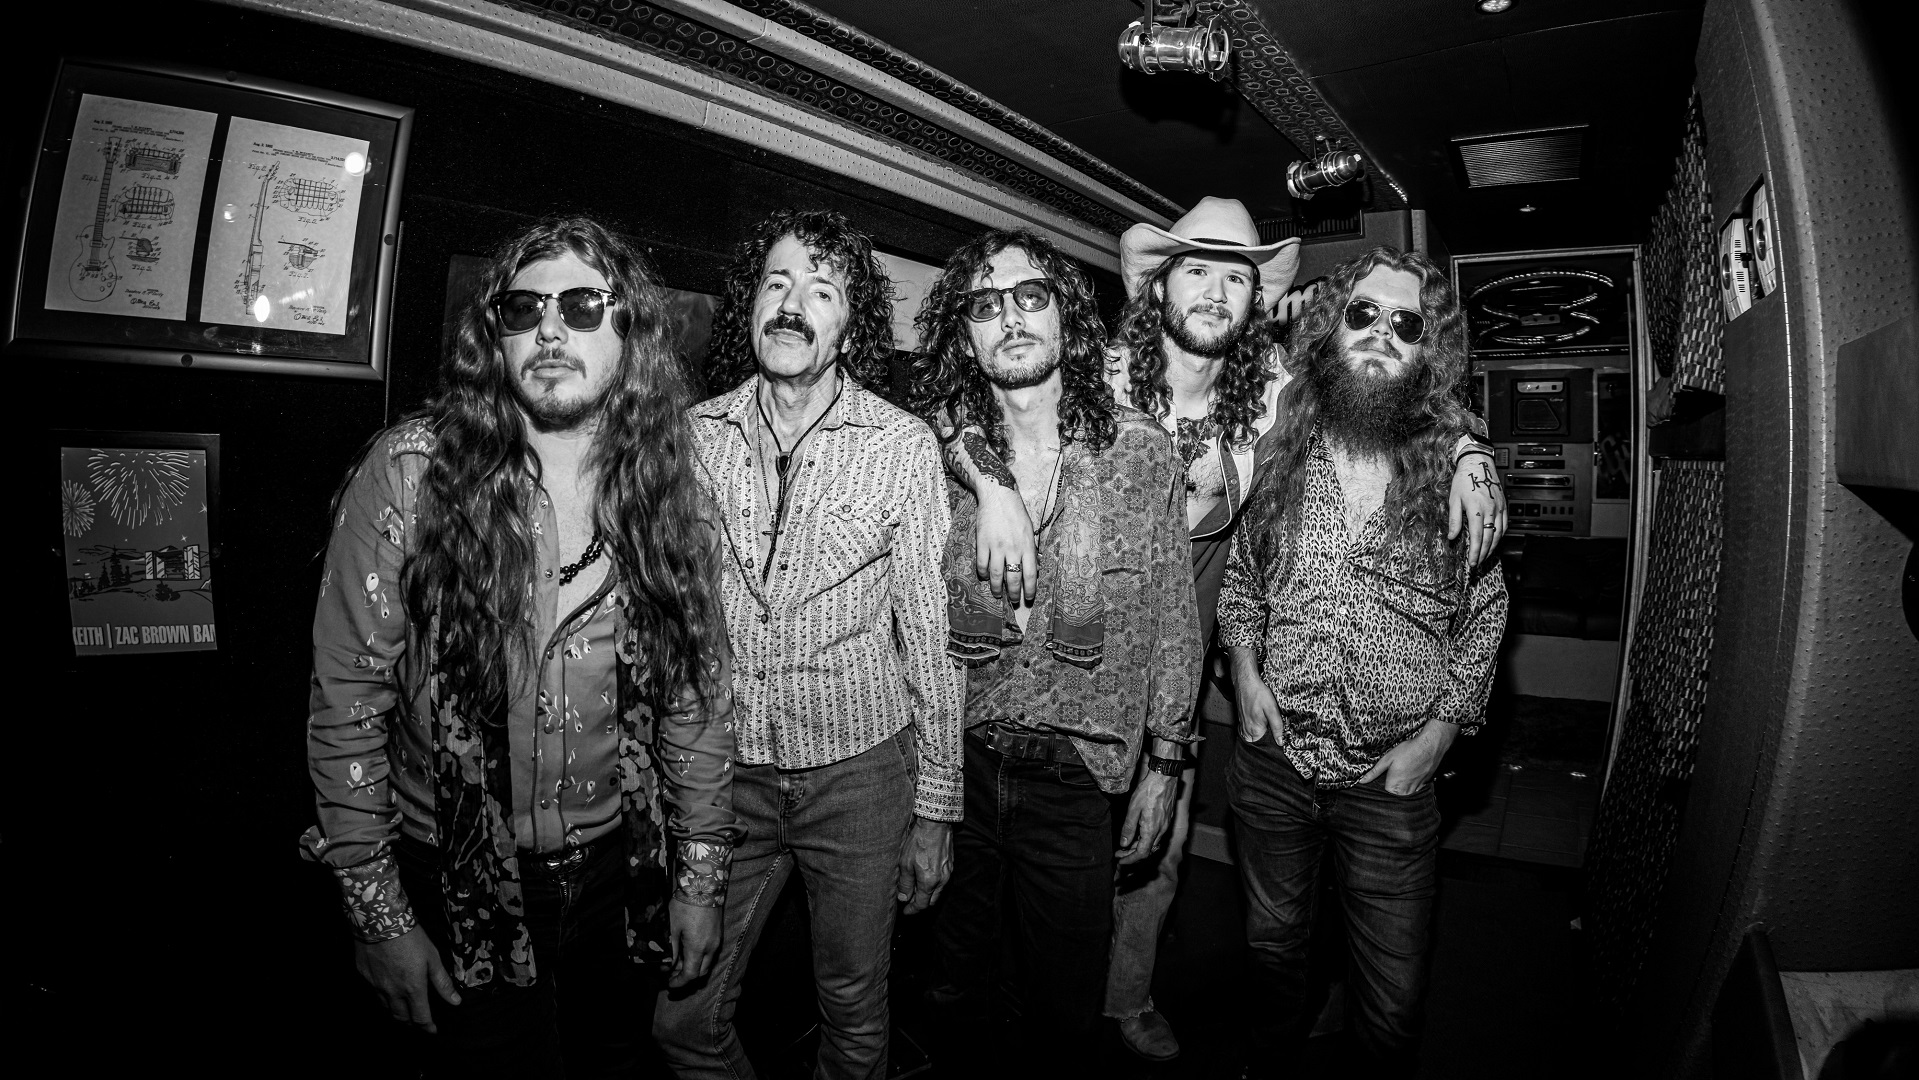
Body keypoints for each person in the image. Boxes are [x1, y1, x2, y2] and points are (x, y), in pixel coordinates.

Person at [940, 198, 1508, 1062]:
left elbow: (1398, 385)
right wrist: (990, 486)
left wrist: (1470, 450)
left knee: (1160, 843)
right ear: (1158, 286)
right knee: (1044, 865)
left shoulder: (1275, 394)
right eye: (1195, 270)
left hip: (1186, 647)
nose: (1212, 291)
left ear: (1253, 302)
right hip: (1067, 664)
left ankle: (1124, 997)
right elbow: (965, 397)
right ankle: (1041, 996)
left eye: (1234, 278)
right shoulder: (1095, 368)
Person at [303, 215, 739, 1077]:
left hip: (621, 876)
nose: (548, 329)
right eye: (522, 309)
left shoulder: (671, 492)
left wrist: (698, 885)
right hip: (452, 878)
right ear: (494, 336)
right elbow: (347, 704)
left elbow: (696, 700)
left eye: (581, 305)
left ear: (629, 330)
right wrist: (379, 919)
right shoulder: (413, 473)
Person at [654, 207, 963, 1080]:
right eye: (776, 283)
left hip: (860, 777)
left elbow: (931, 636)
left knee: (853, 1012)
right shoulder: (691, 438)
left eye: (821, 291)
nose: (792, 305)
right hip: (726, 777)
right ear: (752, 304)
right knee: (683, 1022)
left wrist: (937, 809)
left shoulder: (899, 445)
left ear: (850, 329)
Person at [908, 225, 1203, 1069]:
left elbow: (1173, 618)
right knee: (952, 989)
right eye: (985, 305)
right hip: (955, 766)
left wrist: (1166, 766)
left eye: (1031, 296)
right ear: (964, 334)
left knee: (1064, 1011)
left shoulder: (1139, 452)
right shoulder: (934, 454)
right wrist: (990, 482)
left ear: (1066, 315)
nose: (1010, 318)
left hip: (1077, 772)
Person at [1217, 245, 1510, 1078]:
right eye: (1362, 313)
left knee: (1390, 999)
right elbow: (1241, 579)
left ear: (1426, 351)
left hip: (1391, 781)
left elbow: (1486, 614)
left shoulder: (1455, 470)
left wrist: (1440, 736)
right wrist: (1243, 670)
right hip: (1273, 764)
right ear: (1332, 328)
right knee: (1272, 948)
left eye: (1407, 324)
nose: (1382, 332)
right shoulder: (1279, 448)